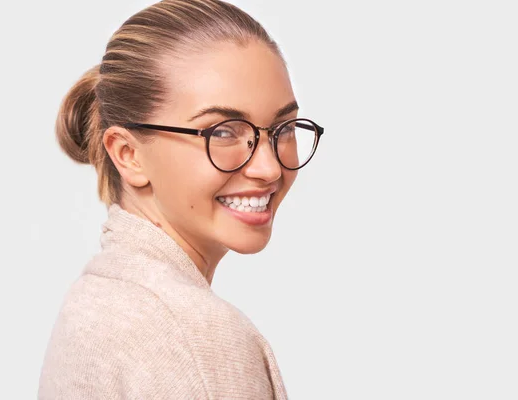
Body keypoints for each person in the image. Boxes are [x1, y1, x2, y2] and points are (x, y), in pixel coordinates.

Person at [38, 0, 324, 399]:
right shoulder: (200, 337)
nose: (269, 169)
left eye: (283, 127)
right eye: (222, 131)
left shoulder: (96, 302)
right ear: (128, 154)